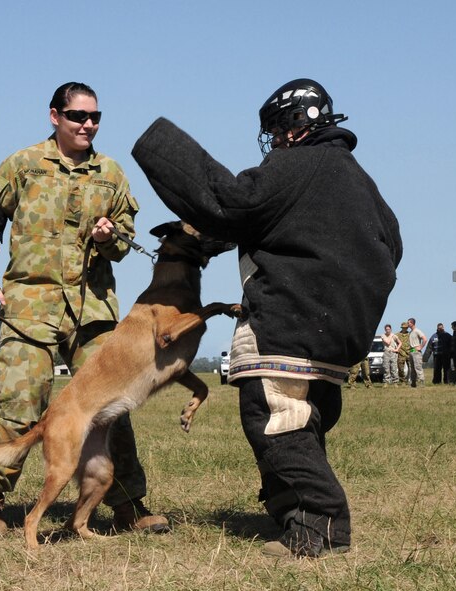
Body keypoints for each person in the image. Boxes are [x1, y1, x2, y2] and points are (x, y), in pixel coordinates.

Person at [132, 78, 402, 558]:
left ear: (298, 124)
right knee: (303, 419)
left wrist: (158, 143)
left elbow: (237, 202)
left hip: (288, 322)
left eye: (278, 130)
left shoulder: (298, 163)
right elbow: (389, 243)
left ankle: (320, 526)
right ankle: (291, 512)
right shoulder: (357, 179)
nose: (274, 142)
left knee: (277, 418)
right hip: (335, 330)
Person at [0, 82, 167, 536]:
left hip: (93, 312)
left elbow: (127, 240)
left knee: (112, 411)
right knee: (21, 404)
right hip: (28, 308)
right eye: (78, 116)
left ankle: (128, 505)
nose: (87, 124)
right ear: (55, 116)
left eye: (95, 117)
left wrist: (113, 237)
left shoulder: (111, 173)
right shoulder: (22, 165)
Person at [407, 318, 427, 387]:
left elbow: (425, 339)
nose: (408, 324)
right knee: (412, 368)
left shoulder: (417, 331)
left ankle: (421, 382)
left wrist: (421, 347)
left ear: (412, 323)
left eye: (408, 323)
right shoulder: (411, 332)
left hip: (416, 352)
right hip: (411, 351)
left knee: (418, 367)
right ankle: (413, 383)